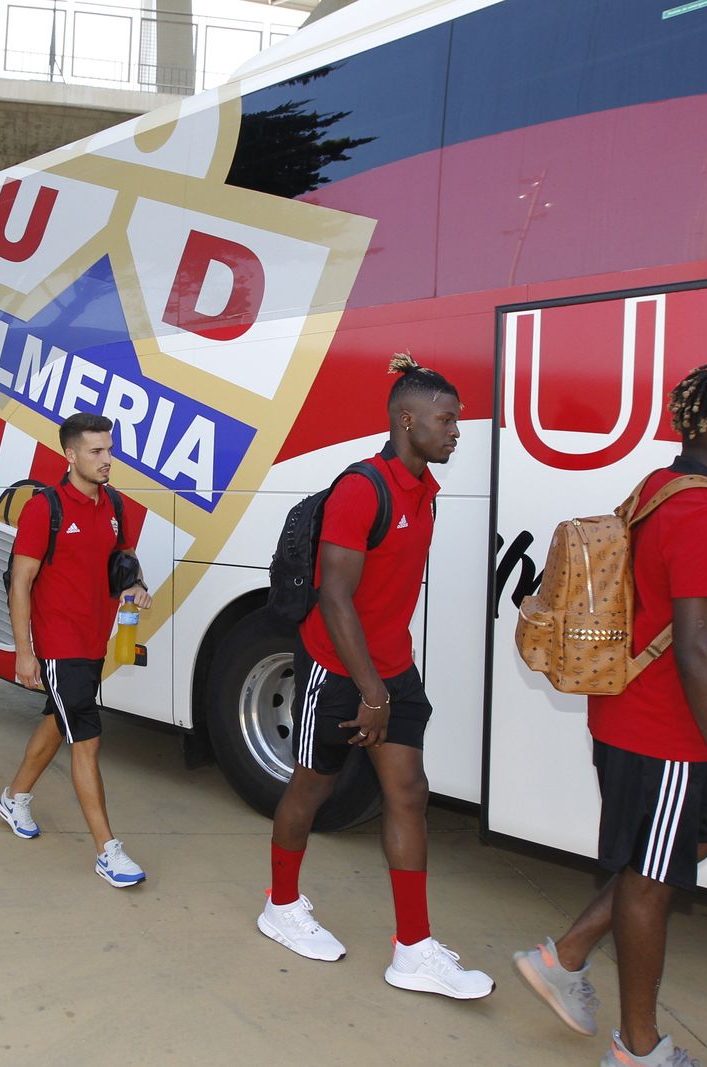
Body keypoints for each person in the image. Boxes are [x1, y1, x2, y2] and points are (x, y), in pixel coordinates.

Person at [513, 362, 707, 1067]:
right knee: (653, 880)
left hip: (627, 715)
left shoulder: (660, 488)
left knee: (672, 853)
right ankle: (637, 1049)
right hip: (662, 731)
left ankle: (564, 957)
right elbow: (695, 647)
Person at [256, 355, 493, 1000]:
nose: (455, 432)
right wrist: (370, 690)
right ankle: (280, 905)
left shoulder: (426, 491)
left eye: (457, 421)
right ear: (406, 419)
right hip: (336, 667)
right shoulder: (364, 488)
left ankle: (413, 949)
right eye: (446, 420)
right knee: (313, 787)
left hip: (390, 665)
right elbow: (335, 597)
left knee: (408, 792)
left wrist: (387, 684)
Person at [0, 412, 152, 888]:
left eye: (110, 449)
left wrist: (136, 586)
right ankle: (108, 849)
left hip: (94, 638)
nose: (108, 459)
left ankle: (15, 796)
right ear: (70, 454)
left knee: (57, 717)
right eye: (96, 451)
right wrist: (26, 653)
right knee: (86, 737)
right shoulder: (45, 508)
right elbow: (20, 584)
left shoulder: (116, 505)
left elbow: (122, 562)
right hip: (58, 642)